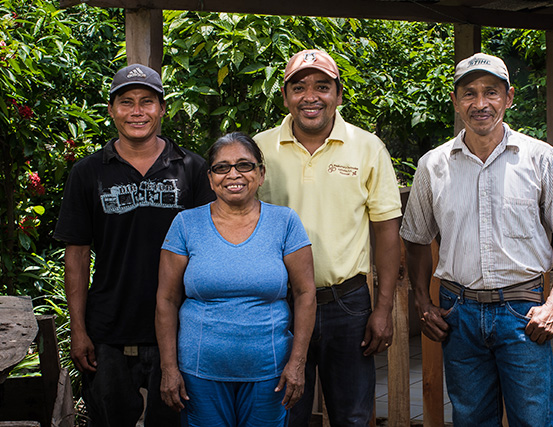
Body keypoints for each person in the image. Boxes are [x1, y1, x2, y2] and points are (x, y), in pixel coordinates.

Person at [400, 52, 553, 426]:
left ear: (509, 97)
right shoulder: (433, 165)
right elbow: (416, 238)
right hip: (459, 313)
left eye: (491, 92)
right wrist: (423, 301)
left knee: (534, 420)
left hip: (522, 312)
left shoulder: (540, 158)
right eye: (469, 93)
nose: (480, 103)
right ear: (455, 101)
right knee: (470, 420)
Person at [54, 64, 216, 426]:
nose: (137, 111)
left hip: (178, 328)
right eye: (126, 102)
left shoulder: (191, 168)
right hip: (108, 328)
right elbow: (77, 257)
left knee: (174, 422)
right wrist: (78, 329)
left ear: (161, 108)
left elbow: (210, 250)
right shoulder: (89, 172)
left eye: (147, 101)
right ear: (112, 110)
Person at [254, 49, 402, 426]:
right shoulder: (259, 149)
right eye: (299, 87)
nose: (311, 96)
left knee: (352, 417)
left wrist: (383, 309)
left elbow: (387, 232)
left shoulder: (368, 148)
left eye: (322, 86)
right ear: (285, 95)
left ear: (338, 94)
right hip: (280, 303)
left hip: (347, 303)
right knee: (285, 415)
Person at [155, 132, 317, 426]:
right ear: (210, 177)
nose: (234, 174)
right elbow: (166, 299)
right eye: (222, 167)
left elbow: (306, 293)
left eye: (245, 165)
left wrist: (297, 364)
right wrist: (169, 368)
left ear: (261, 173)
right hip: (199, 373)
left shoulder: (285, 222)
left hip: (270, 373)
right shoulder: (186, 224)